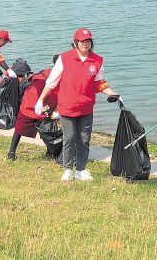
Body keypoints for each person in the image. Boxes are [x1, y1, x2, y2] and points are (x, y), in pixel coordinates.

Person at [34, 29, 120, 182]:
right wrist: (41, 99)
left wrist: (112, 93)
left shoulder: (97, 60)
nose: (85, 44)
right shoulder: (64, 58)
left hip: (86, 107)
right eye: (82, 41)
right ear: (75, 42)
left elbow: (99, 83)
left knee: (84, 139)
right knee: (70, 137)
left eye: (88, 41)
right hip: (67, 107)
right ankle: (67, 169)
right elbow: (52, 82)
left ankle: (81, 170)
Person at [8, 56, 60, 161]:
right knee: (19, 128)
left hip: (48, 106)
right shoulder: (43, 76)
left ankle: (50, 153)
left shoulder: (66, 77)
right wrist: (49, 111)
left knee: (48, 130)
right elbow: (39, 94)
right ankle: (11, 153)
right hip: (31, 105)